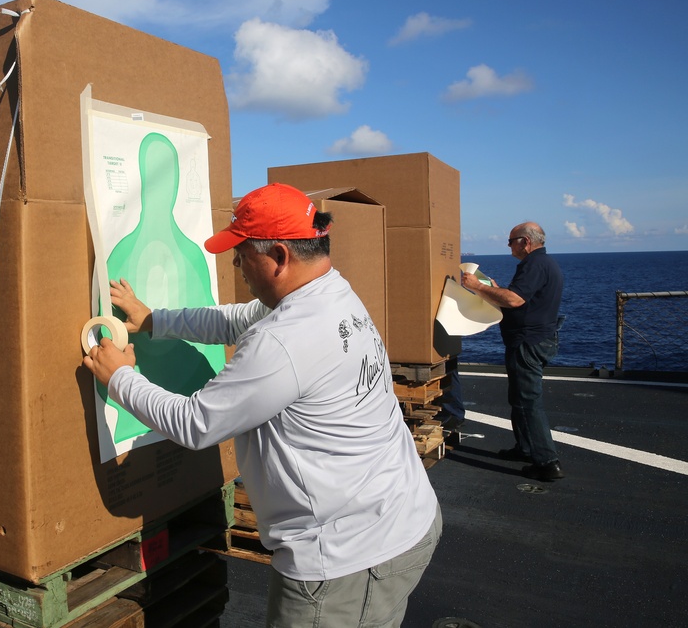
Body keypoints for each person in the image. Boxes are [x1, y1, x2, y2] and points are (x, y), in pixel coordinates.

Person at [83, 182, 441, 628]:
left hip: (350, 558)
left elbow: (196, 423)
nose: (235, 263)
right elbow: (237, 317)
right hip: (400, 518)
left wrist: (119, 377)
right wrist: (156, 319)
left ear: (278, 256)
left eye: (241, 252)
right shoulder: (327, 290)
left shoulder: (287, 339)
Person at [461, 221, 565, 482]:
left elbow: (515, 299)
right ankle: (526, 448)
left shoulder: (533, 265)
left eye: (511, 241)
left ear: (525, 242)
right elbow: (518, 296)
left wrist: (479, 287)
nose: (509, 246)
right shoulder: (546, 264)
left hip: (527, 342)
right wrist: (495, 288)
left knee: (529, 402)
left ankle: (547, 462)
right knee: (519, 399)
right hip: (537, 339)